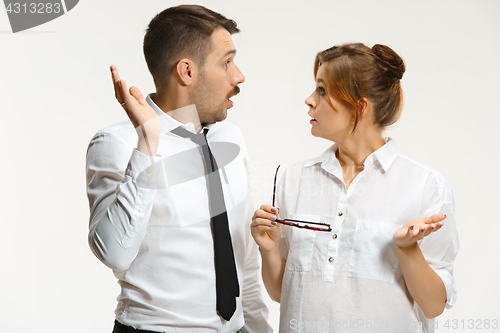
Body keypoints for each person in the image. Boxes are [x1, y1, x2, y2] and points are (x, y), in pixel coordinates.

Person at [86, 5, 272, 333]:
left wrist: (258, 328)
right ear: (186, 71)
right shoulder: (117, 142)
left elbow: (240, 255)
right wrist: (148, 143)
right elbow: (114, 253)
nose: (238, 75)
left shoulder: (231, 137)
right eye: (226, 62)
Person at [251, 43, 458, 333]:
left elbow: (434, 305)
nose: (309, 100)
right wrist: (269, 251)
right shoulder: (294, 178)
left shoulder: (424, 185)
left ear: (359, 107)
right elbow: (281, 294)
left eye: (322, 90)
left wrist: (407, 250)